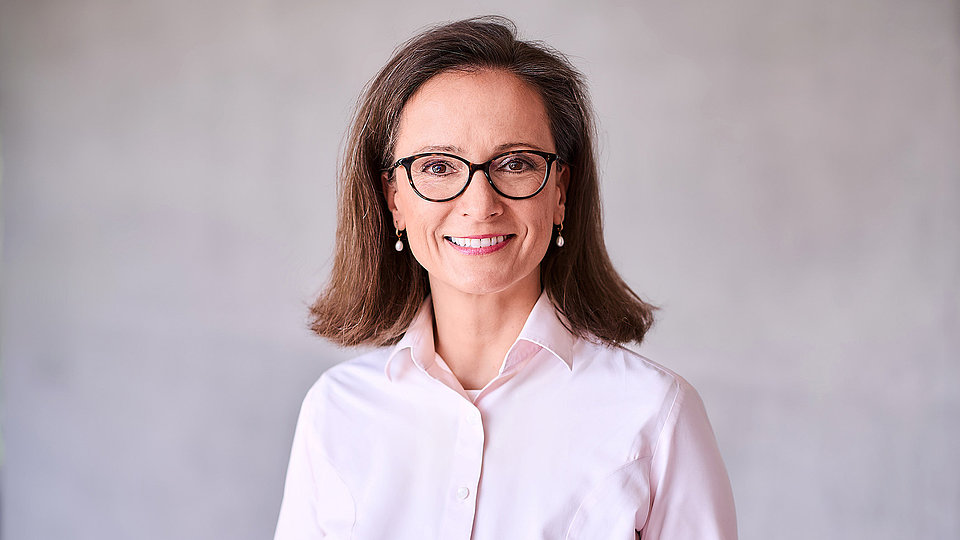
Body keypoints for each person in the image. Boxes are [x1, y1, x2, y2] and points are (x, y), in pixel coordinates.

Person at [274, 16, 736, 540]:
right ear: (393, 200)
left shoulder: (654, 415)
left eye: (514, 163)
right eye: (437, 166)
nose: (479, 205)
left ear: (560, 189)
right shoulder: (335, 410)